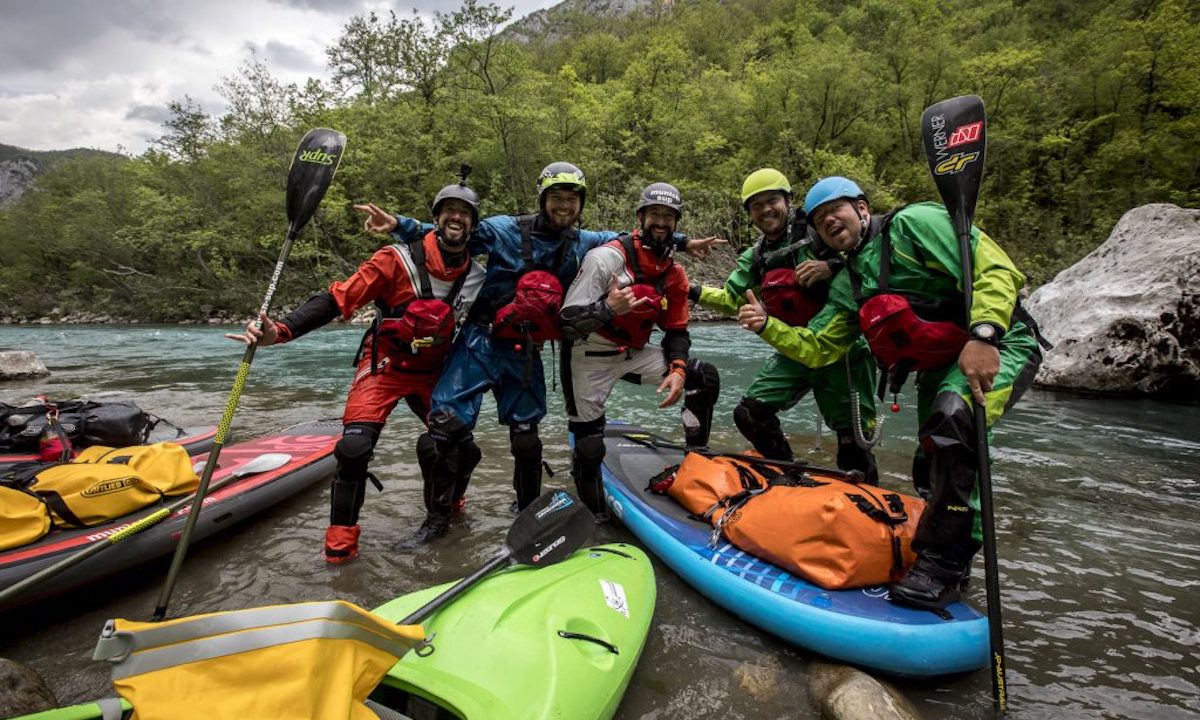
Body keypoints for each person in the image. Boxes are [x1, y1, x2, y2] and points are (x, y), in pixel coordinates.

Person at [365, 162, 723, 543]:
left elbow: (640, 235)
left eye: (572, 199)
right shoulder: (505, 229)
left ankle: (527, 513)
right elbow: (453, 232)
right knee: (443, 430)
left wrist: (683, 242)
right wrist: (402, 225)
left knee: (526, 440)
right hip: (479, 339)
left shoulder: (586, 240)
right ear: (543, 199)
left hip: (526, 348)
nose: (564, 206)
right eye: (556, 198)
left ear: (580, 204)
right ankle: (436, 521)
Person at [736, 175, 1045, 609]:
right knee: (926, 462)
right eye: (821, 221)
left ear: (862, 208)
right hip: (941, 362)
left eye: (836, 212)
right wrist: (768, 326)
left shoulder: (913, 224)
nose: (830, 223)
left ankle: (946, 563)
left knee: (953, 423)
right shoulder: (850, 283)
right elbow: (820, 349)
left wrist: (985, 332)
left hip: (1000, 342)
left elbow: (994, 267)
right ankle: (937, 548)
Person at [226, 179, 486, 564]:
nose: (456, 218)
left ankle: (447, 509)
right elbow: (337, 299)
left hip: (438, 370)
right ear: (435, 219)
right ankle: (340, 545)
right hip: (386, 363)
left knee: (456, 448)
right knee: (354, 447)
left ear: (473, 224)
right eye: (449, 210)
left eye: (464, 213)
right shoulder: (394, 260)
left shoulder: (481, 270)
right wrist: (280, 332)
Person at [691, 169, 878, 483]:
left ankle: (868, 508)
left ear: (789, 201)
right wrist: (692, 290)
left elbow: (864, 256)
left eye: (772, 201)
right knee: (749, 414)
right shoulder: (757, 256)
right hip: (792, 348)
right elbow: (732, 298)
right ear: (749, 214)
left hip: (841, 352)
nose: (766, 210)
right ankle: (790, 475)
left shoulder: (822, 233)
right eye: (756, 205)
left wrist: (831, 264)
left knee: (853, 445)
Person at [559, 182, 721, 516]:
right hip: (587, 355)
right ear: (641, 217)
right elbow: (567, 323)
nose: (661, 222)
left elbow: (676, 330)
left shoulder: (674, 273)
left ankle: (696, 459)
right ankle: (595, 516)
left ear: (676, 224)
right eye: (654, 214)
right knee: (589, 446)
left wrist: (677, 369)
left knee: (701, 376)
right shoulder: (605, 259)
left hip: (632, 355)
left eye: (668, 216)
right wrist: (607, 309)